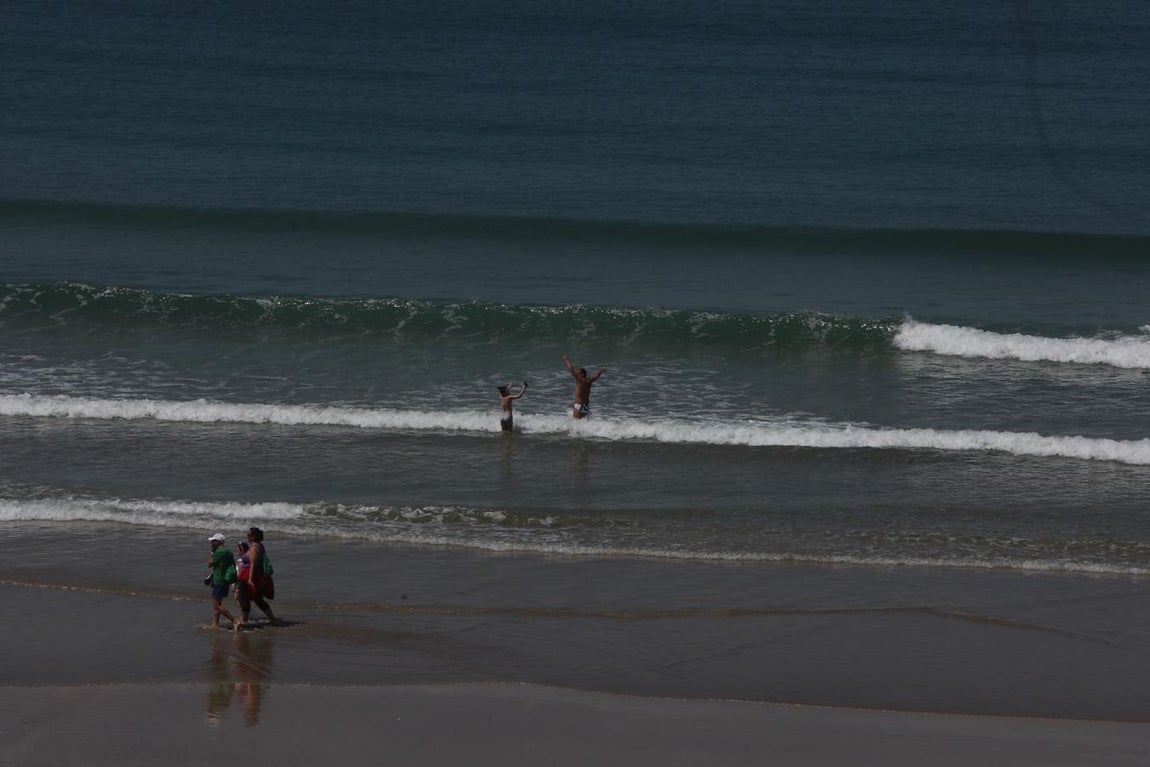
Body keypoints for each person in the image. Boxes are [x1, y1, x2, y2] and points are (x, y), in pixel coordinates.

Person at [243, 527, 278, 625]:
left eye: (248, 535)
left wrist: (250, 579)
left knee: (245, 598)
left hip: (255, 577)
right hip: (258, 576)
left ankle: (244, 620)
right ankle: (272, 619)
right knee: (258, 599)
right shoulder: (259, 545)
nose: (247, 537)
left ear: (253, 537)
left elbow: (253, 564)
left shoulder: (254, 548)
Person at [207, 533, 240, 630]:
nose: (211, 543)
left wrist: (212, 552)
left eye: (213, 541)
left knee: (216, 605)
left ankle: (234, 620)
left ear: (217, 542)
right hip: (226, 579)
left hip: (219, 579)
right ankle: (215, 623)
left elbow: (209, 564)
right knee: (219, 603)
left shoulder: (219, 552)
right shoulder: (228, 551)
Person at [563, 355, 605, 419]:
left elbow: (571, 369)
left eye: (578, 373)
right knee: (584, 424)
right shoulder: (589, 380)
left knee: (576, 423)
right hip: (586, 406)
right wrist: (601, 371)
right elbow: (596, 376)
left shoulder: (580, 380)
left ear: (582, 374)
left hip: (579, 405)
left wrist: (566, 360)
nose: (576, 374)